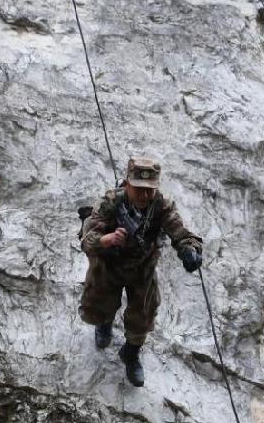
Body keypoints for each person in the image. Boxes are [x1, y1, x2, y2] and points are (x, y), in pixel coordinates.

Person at [79, 156, 202, 386]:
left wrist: (189, 250)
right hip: (109, 265)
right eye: (139, 189)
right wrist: (107, 239)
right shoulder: (111, 202)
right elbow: (87, 239)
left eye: (150, 190)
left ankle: (131, 353)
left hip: (142, 268)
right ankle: (104, 324)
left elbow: (180, 232)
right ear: (127, 184)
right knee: (98, 304)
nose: (145, 195)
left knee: (143, 316)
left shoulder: (161, 205)